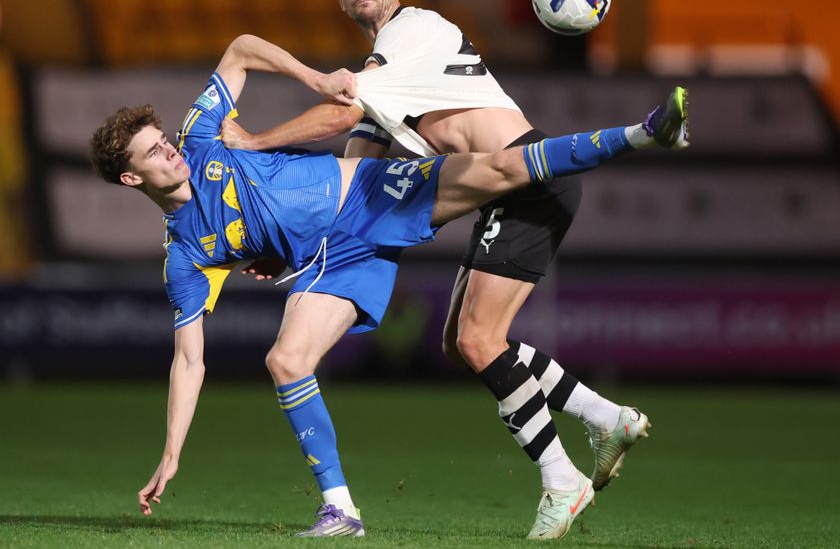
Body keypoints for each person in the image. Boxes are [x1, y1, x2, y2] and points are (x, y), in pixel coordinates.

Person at [89, 33, 688, 540]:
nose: (170, 151)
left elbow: (241, 49)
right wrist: (170, 454)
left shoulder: (198, 133)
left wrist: (316, 78)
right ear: (129, 176)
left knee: (501, 169)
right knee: (287, 360)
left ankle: (643, 133)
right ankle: (341, 510)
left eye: (163, 140)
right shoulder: (185, 256)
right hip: (338, 259)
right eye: (154, 153)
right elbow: (188, 360)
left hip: (371, 192)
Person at [219, 0, 687, 539]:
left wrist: (254, 141)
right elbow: (354, 172)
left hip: (527, 179)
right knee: (460, 341)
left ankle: (560, 479)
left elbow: (340, 111)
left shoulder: (414, 31)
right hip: (505, 190)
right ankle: (606, 417)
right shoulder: (385, 78)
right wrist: (289, 247)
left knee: (478, 340)